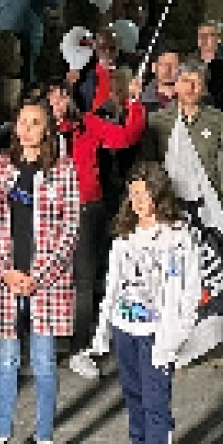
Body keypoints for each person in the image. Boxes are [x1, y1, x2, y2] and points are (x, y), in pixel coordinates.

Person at [89, 162, 202, 444]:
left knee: (156, 404)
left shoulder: (178, 236)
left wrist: (176, 334)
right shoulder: (126, 234)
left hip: (157, 333)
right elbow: (112, 284)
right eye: (132, 193)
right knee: (134, 396)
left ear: (158, 193)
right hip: (126, 328)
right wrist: (102, 332)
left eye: (144, 193)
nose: (137, 200)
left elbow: (189, 288)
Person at [0, 98, 80, 444]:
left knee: (43, 360)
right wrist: (5, 270)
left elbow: (69, 230)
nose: (26, 129)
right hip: (7, 278)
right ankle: (2, 434)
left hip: (45, 282)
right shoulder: (1, 167)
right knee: (6, 360)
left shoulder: (63, 169)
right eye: (22, 121)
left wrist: (40, 275)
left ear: (47, 129)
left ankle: (43, 439)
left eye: (35, 123)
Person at [144, 60, 223, 360]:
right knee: (172, 278)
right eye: (184, 80)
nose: (189, 87)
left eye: (196, 82)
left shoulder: (216, 120)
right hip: (171, 211)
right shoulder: (158, 121)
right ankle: (171, 341)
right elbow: (148, 170)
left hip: (207, 210)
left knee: (219, 275)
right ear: (175, 85)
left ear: (204, 86)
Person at [64, 79, 148, 380]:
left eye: (62, 96)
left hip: (88, 208)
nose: (58, 103)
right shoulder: (40, 131)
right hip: (53, 212)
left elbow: (125, 136)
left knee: (87, 279)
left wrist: (135, 103)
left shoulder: (88, 124)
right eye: (52, 99)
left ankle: (80, 347)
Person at [197, 21, 223, 116]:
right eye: (201, 35)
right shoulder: (190, 60)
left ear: (218, 39)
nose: (204, 39)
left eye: (209, 35)